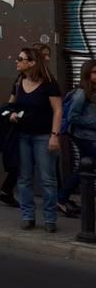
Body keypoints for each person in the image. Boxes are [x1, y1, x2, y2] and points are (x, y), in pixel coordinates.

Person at [9, 47, 63, 232]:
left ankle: (50, 218)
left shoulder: (49, 84)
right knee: (24, 178)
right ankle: (27, 216)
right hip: (23, 135)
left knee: (47, 179)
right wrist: (12, 114)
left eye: (20, 58)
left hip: (43, 136)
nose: (17, 61)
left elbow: (57, 110)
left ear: (32, 63)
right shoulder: (18, 82)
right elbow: (10, 105)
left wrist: (54, 135)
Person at [61, 59, 96, 212]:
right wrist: (93, 122)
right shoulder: (81, 93)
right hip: (83, 136)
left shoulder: (93, 90)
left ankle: (62, 198)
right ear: (87, 73)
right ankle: (63, 198)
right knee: (87, 166)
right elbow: (72, 117)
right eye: (94, 72)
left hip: (90, 136)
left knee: (83, 167)